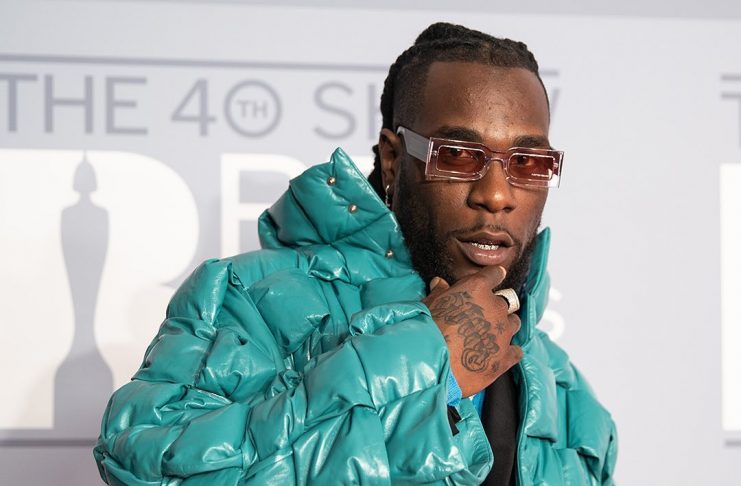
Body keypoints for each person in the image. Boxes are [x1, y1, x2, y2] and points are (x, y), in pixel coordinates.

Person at [94, 22, 617, 485]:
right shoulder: (245, 302)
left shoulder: (565, 392)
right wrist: (423, 363)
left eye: (527, 162)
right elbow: (150, 471)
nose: (497, 194)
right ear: (392, 159)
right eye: (458, 155)